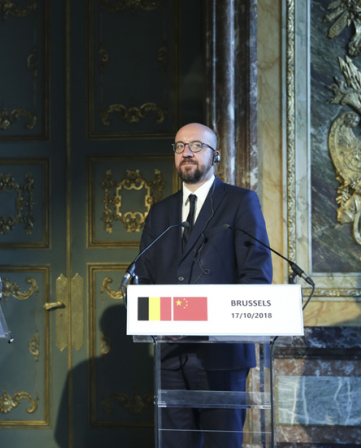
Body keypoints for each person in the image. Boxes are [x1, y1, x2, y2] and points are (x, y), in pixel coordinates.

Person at [133, 123, 273, 447]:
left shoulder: (240, 202)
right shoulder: (160, 213)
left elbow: (256, 277)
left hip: (221, 357)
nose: (187, 153)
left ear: (216, 156)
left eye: (196, 146)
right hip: (170, 357)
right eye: (180, 146)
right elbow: (143, 278)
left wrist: (204, 317)